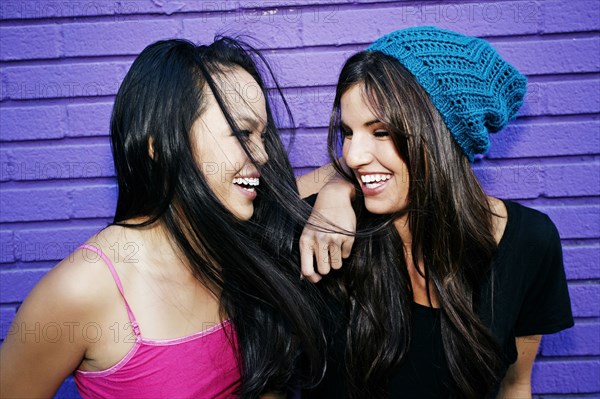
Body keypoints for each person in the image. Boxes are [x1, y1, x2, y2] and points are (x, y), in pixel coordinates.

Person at [0, 37, 328, 398]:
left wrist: (337, 195)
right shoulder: (81, 290)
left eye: (262, 135)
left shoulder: (234, 240)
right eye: (241, 132)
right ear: (159, 142)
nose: (263, 155)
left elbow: (343, 172)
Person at [299, 26, 574, 399]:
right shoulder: (330, 232)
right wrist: (334, 187)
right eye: (348, 132)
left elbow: (515, 385)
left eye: (381, 132)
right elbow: (239, 206)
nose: (352, 155)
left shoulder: (529, 242)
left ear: (442, 134)